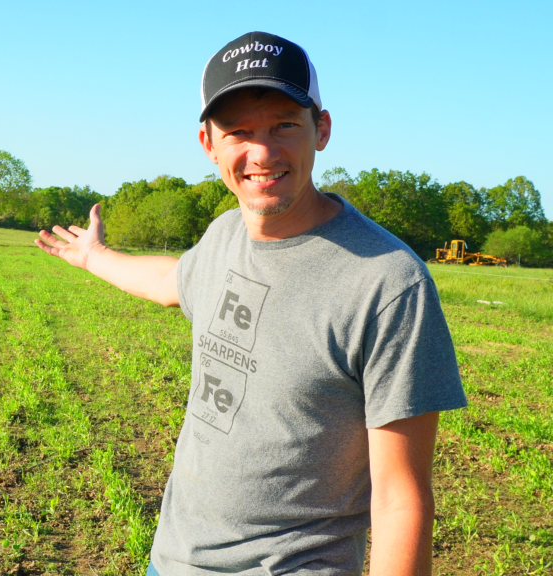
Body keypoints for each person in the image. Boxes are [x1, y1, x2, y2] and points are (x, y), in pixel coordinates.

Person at [34, 31, 467, 576]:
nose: (262, 153)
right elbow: (172, 282)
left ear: (322, 129)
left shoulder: (388, 283)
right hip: (173, 561)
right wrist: (95, 257)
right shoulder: (224, 235)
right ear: (208, 145)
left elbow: (401, 500)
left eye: (285, 124)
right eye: (238, 131)